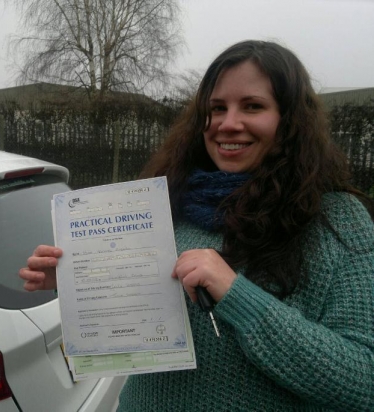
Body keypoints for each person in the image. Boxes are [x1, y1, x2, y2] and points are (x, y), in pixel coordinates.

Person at [19, 40, 374, 411]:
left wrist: (236, 294)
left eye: (252, 106)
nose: (228, 123)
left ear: (289, 120)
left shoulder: (338, 221)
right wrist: (85, 276)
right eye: (216, 108)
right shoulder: (168, 202)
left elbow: (363, 383)